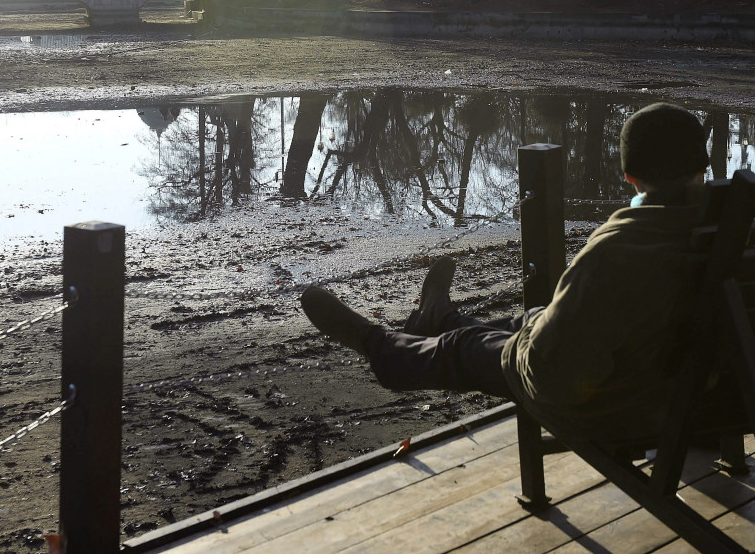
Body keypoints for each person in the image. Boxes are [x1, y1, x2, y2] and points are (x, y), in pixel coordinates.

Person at [301, 102, 712, 445]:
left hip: (626, 411)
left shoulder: (620, 250)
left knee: (468, 347)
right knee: (525, 320)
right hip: (717, 399)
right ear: (703, 166)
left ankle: (382, 347)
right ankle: (439, 320)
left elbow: (553, 377)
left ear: (630, 176)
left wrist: (529, 335)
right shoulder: (744, 234)